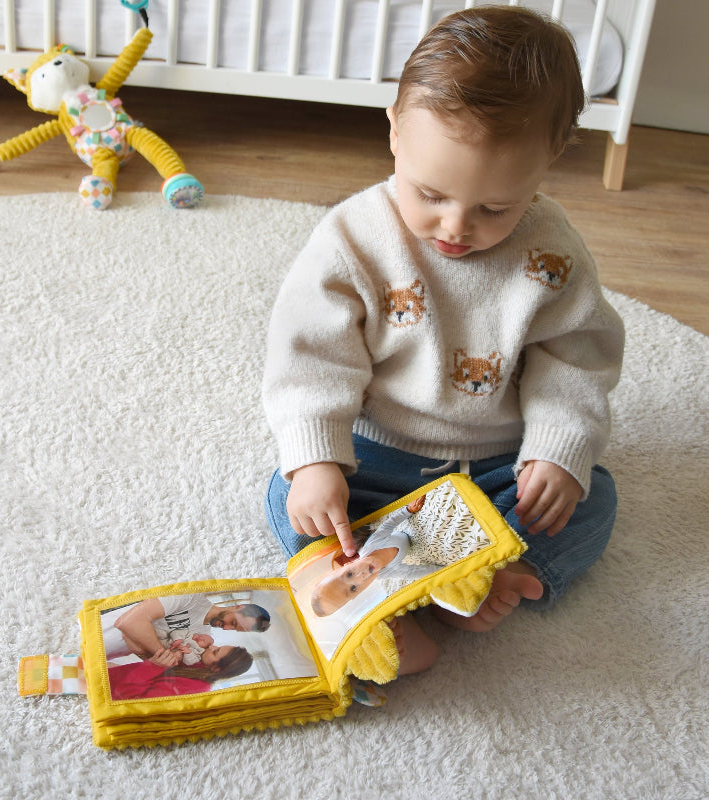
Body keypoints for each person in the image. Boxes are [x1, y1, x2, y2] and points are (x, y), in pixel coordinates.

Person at [263, 7, 624, 675]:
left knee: (589, 497)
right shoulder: (351, 239)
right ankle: (362, 592)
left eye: (494, 208)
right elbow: (311, 357)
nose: (455, 226)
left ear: (550, 159)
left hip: (495, 465)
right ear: (395, 131)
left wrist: (556, 450)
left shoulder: (552, 254)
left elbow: (575, 357)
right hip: (378, 457)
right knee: (292, 495)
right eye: (430, 193)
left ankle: (489, 576)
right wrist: (316, 460)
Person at [102, 594, 270, 666]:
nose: (226, 628)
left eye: (234, 629)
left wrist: (158, 657)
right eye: (233, 622)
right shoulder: (190, 598)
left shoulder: (202, 638)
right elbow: (128, 622)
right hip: (99, 632)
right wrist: (163, 654)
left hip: (106, 657)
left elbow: (149, 658)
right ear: (238, 607)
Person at [108, 645, 254, 700]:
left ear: (216, 668)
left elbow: (128, 699)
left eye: (215, 652)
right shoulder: (196, 667)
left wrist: (152, 666)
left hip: (104, 692)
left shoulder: (195, 688)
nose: (212, 646)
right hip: (108, 678)